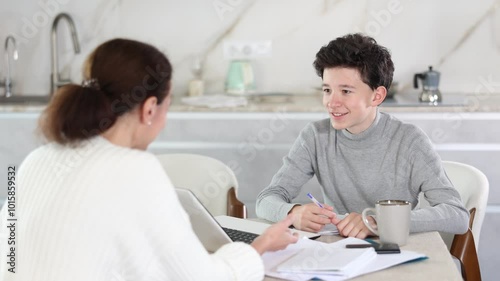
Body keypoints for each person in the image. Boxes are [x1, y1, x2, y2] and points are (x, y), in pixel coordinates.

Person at [0, 38, 298, 281]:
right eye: (167, 107)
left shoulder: (34, 160)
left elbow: (10, 259)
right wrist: (261, 246)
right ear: (150, 108)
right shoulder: (135, 170)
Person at [256, 33, 469, 239]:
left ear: (377, 96)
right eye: (327, 90)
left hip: (393, 254)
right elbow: (267, 199)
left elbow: (456, 215)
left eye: (346, 91)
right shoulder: (315, 137)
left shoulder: (410, 141)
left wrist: (376, 221)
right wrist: (292, 212)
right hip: (336, 254)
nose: (332, 102)